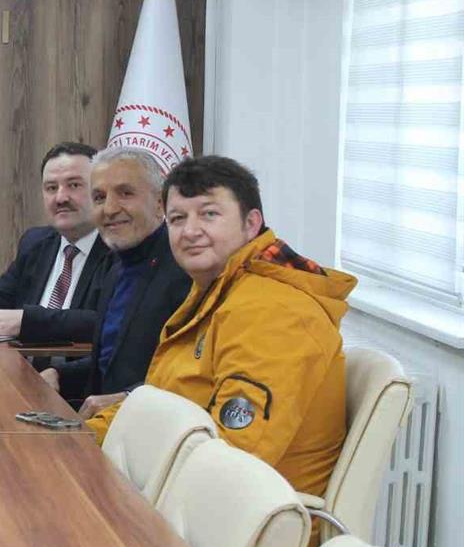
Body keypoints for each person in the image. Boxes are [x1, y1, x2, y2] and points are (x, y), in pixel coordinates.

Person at [86, 156, 354, 499]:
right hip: (174, 492)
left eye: (209, 214)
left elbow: (235, 461)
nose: (190, 231)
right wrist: (78, 437)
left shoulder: (275, 312)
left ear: (251, 223)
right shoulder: (217, 292)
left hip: (231, 520)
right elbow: (163, 402)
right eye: (178, 218)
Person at [37, 147, 191, 405]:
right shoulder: (116, 267)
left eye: (125, 193)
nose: (109, 209)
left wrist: (126, 399)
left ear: (159, 202)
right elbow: (113, 363)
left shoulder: (185, 269)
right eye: (99, 197)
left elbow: (190, 375)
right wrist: (60, 374)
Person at [0, 142, 110, 342]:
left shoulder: (118, 249)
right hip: (17, 359)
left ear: (100, 192)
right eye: (51, 188)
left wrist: (28, 321)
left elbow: (107, 320)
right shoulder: (35, 242)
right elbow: (2, 298)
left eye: (74, 185)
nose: (60, 198)